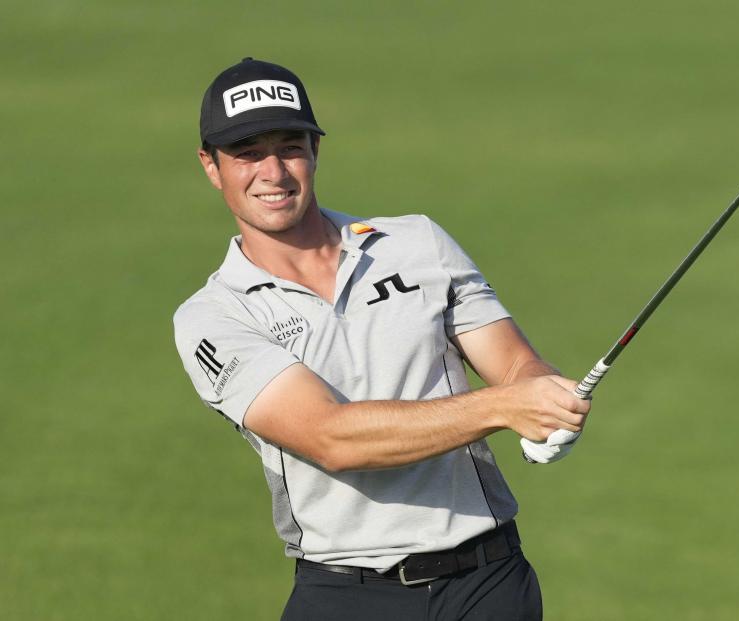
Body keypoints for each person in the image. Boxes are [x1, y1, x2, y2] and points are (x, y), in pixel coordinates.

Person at [173, 57, 591, 621]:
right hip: (346, 594)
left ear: (315, 151)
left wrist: (545, 397)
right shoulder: (213, 317)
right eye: (248, 153)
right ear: (211, 165)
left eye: (290, 147)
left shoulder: (418, 244)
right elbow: (331, 438)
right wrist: (504, 408)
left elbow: (515, 365)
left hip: (487, 580)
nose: (273, 172)